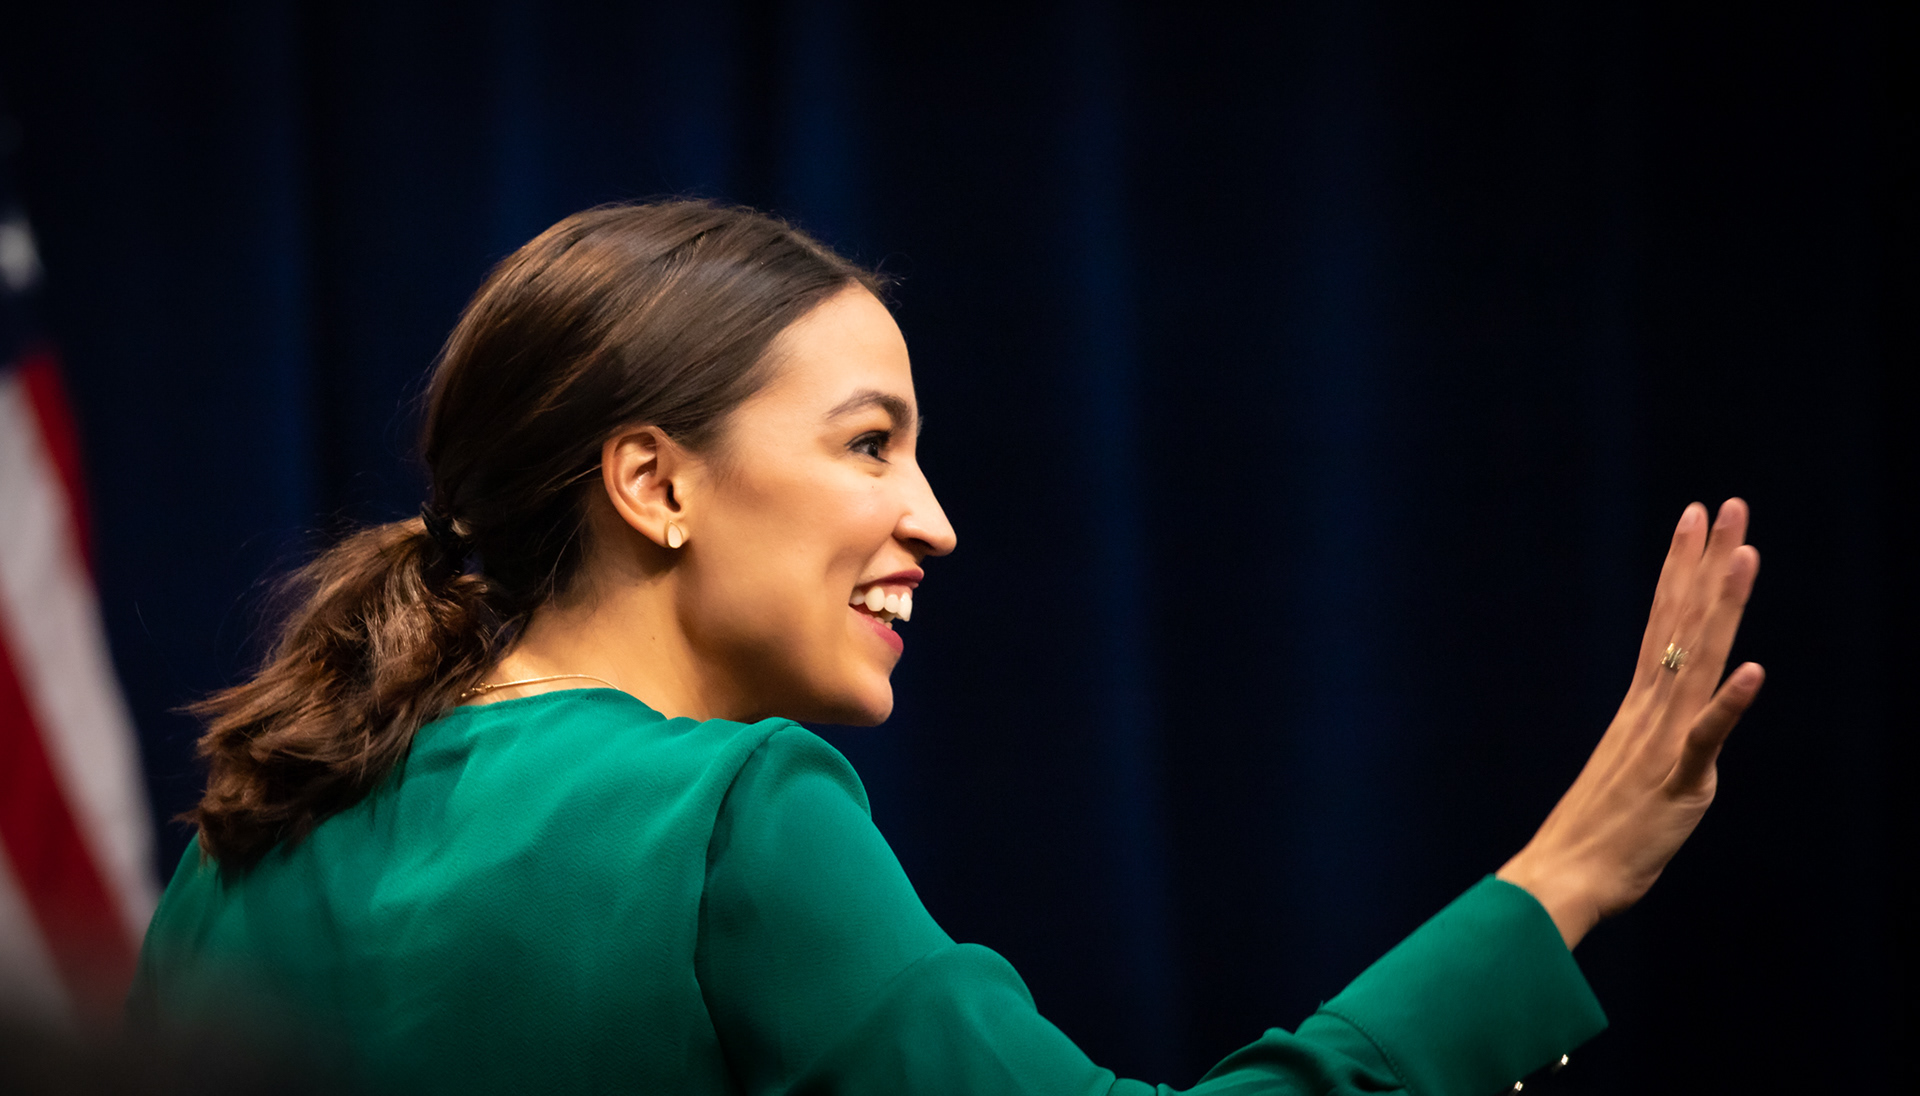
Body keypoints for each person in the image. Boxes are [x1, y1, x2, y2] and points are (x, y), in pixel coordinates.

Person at [129, 202, 1765, 1095]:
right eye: (868, 444)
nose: (936, 521)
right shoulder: (735, 817)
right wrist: (1562, 884)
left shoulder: (242, 853)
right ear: (656, 481)